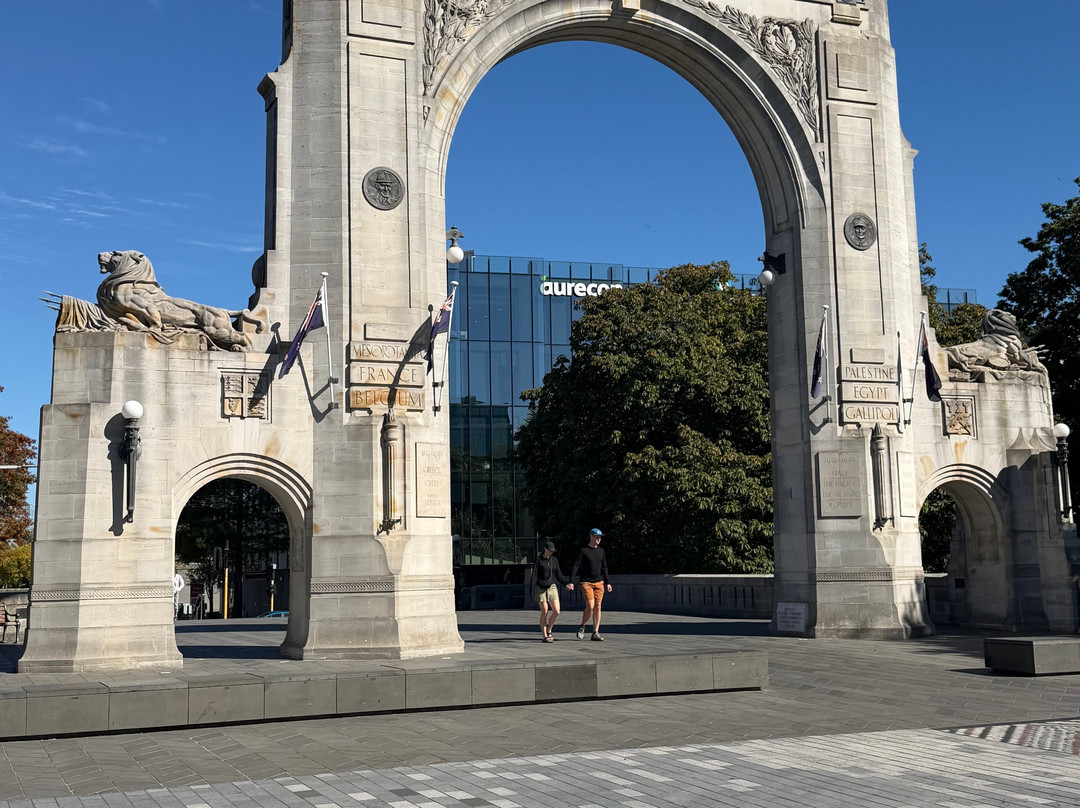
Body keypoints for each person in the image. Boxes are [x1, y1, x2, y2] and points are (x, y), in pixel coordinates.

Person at [570, 528, 611, 641]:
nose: (599, 539)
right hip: (586, 582)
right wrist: (571, 581)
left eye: (600, 537)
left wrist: (608, 582)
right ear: (591, 537)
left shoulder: (601, 551)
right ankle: (583, 625)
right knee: (591, 605)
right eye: (597, 537)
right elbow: (576, 565)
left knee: (598, 606)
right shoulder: (583, 551)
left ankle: (595, 632)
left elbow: (604, 567)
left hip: (599, 582)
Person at [532, 540, 570, 642]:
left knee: (556, 611)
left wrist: (566, 583)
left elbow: (558, 574)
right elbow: (534, 576)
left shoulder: (554, 560)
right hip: (541, 587)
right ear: (545, 549)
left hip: (551, 587)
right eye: (549, 550)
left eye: (552, 551)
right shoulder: (539, 560)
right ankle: (545, 635)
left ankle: (549, 629)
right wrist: (532, 590)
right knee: (544, 611)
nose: (551, 552)